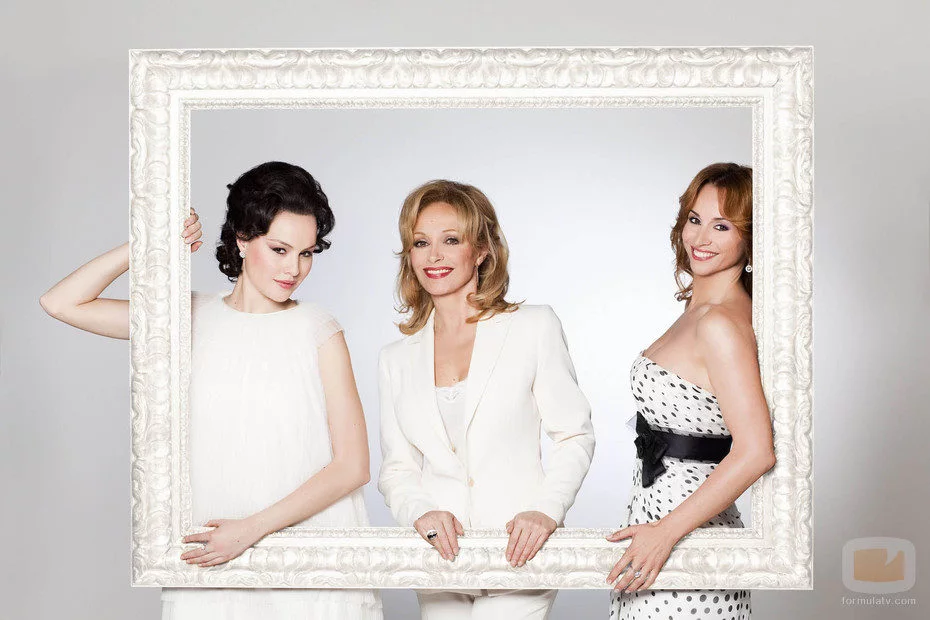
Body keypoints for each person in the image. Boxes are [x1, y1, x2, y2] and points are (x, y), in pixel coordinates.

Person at [40, 161, 382, 620]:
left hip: (309, 563)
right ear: (242, 238)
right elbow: (62, 302)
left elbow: (353, 466)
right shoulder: (186, 317)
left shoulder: (318, 329)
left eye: (307, 253)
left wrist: (251, 530)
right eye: (280, 249)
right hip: (212, 562)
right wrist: (152, 240)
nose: (294, 268)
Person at [377, 179, 596, 619]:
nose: (434, 256)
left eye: (450, 240)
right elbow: (398, 468)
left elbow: (574, 434)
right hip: (440, 559)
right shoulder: (395, 358)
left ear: (481, 250)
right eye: (421, 243)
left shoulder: (533, 327)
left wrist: (546, 511)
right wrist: (420, 512)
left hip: (521, 551)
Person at [605, 163, 776, 619]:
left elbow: (756, 451)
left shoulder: (720, 323)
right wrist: (655, 531)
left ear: (750, 238)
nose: (701, 237)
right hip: (655, 531)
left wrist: (666, 532)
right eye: (695, 219)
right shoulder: (700, 311)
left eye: (722, 226)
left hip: (686, 540)